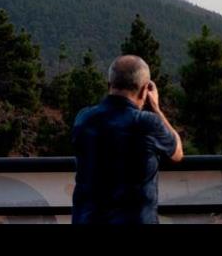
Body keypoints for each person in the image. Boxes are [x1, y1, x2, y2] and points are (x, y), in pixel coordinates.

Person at [71, 55, 184, 224]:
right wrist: (156, 109)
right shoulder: (147, 122)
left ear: (109, 85)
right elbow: (177, 153)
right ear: (144, 90)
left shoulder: (84, 118)